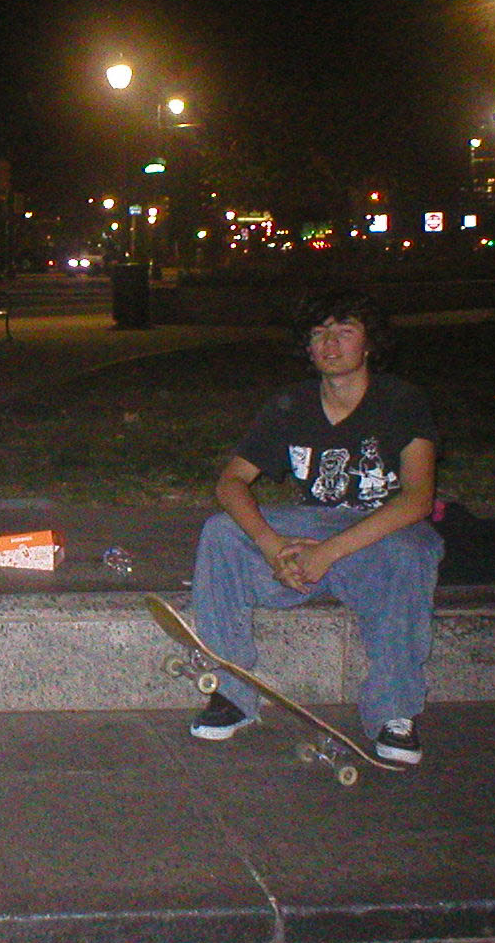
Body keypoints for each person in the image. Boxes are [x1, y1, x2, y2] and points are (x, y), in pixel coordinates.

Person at [186, 288, 442, 765]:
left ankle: (393, 713)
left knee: (412, 553)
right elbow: (231, 482)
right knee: (221, 533)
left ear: (369, 343)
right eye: (320, 332)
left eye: (345, 331)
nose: (330, 343)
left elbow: (416, 499)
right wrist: (270, 545)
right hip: (310, 530)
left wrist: (328, 552)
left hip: (379, 533)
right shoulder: (291, 404)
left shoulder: (401, 401)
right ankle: (231, 694)